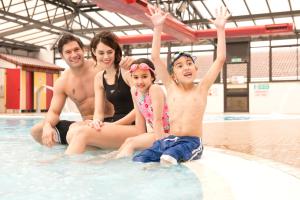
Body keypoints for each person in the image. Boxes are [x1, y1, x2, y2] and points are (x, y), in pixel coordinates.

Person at [132, 6, 229, 164]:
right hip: (170, 139)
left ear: (196, 69)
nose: (186, 67)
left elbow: (220, 59)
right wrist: (157, 27)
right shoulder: (171, 88)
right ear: (173, 75)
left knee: (168, 158)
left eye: (189, 63)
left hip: (191, 142)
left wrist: (220, 29)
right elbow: (155, 57)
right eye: (180, 65)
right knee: (139, 159)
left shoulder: (201, 89)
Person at [30, 34, 132, 147]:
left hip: (110, 121)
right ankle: (76, 148)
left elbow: (117, 62)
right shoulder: (63, 82)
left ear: (83, 50)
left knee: (77, 132)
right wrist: (47, 126)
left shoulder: (100, 66)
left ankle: (86, 146)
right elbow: (54, 112)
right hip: (87, 123)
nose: (74, 55)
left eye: (76, 49)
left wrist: (128, 62)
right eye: (68, 52)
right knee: (37, 130)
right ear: (62, 55)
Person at [65, 32, 144, 155]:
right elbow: (99, 112)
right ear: (94, 52)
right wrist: (96, 122)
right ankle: (102, 158)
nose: (106, 57)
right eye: (101, 53)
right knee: (73, 130)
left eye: (109, 52)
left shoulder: (127, 72)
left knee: (82, 133)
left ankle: (67, 168)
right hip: (116, 124)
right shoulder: (99, 78)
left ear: (115, 51)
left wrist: (113, 125)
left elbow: (141, 107)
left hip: (135, 127)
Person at [115, 58, 170, 158]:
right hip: (157, 133)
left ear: (152, 77)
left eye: (144, 76)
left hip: (170, 134)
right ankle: (111, 158)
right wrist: (140, 139)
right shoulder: (134, 91)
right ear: (131, 78)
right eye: (135, 77)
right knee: (129, 141)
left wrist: (160, 149)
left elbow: (158, 121)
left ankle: (121, 166)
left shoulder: (155, 89)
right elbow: (139, 120)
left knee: (131, 143)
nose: (140, 81)